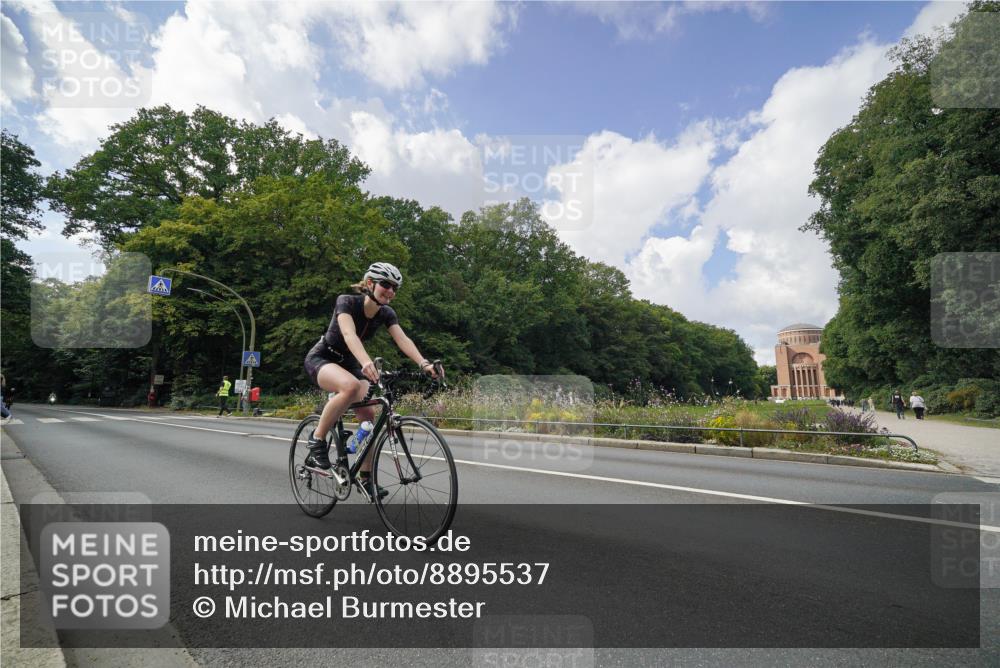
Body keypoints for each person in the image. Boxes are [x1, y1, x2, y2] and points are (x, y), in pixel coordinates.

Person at [303, 262, 439, 500]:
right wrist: (366, 362)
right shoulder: (346, 301)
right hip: (322, 358)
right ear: (369, 283)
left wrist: (424, 363)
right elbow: (348, 334)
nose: (390, 291)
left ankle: (365, 479)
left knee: (370, 414)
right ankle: (317, 441)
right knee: (350, 385)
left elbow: (402, 339)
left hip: (350, 363)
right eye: (385, 284)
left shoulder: (386, 313)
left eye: (395, 287)